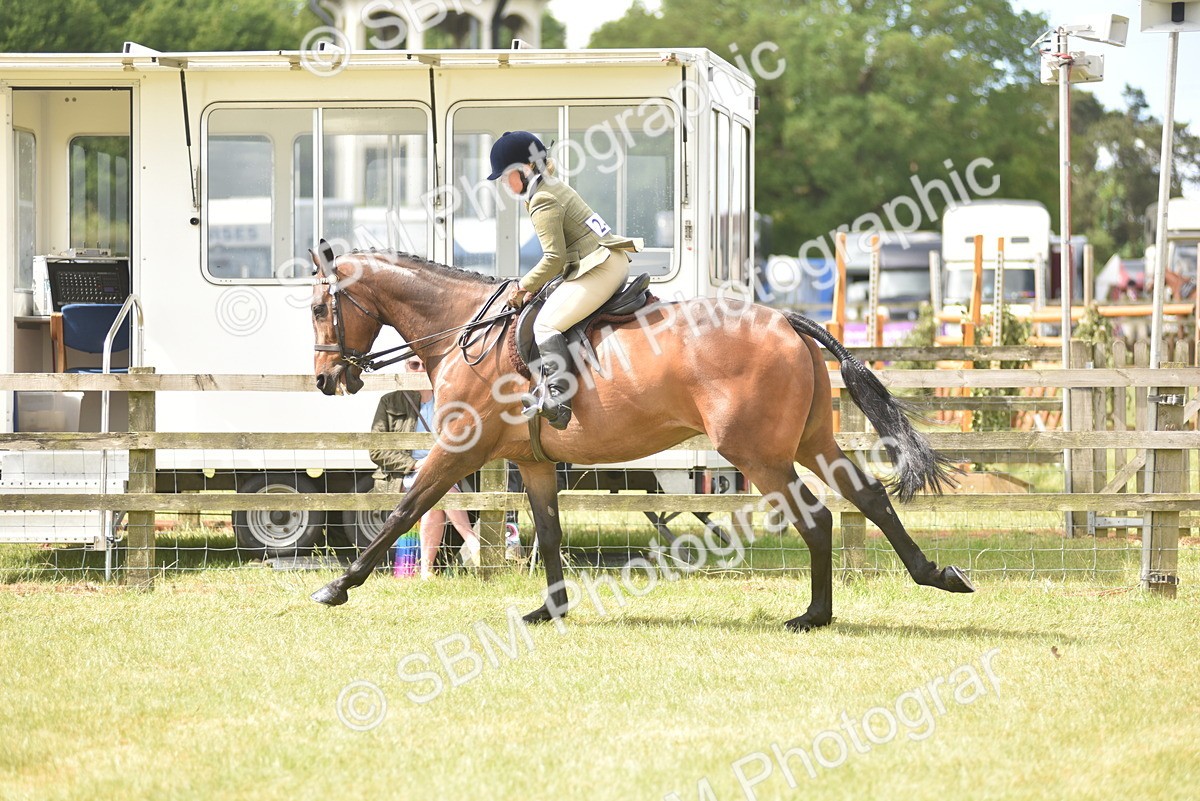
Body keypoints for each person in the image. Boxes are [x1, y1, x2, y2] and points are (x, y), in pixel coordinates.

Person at [486, 130, 643, 429]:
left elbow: (553, 258)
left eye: (507, 175)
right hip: (603, 260)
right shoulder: (549, 187)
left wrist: (523, 287)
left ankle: (558, 402)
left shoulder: (543, 199)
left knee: (546, 324)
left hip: (600, 267)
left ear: (526, 168)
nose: (505, 184)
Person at [368, 357, 480, 578]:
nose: (420, 369)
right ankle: (472, 541)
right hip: (401, 475)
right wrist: (414, 464)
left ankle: (426, 572)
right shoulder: (390, 401)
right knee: (436, 487)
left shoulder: (449, 400)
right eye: (414, 364)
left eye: (424, 364)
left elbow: (468, 441)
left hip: (443, 473)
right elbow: (376, 450)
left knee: (433, 496)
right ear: (405, 367)